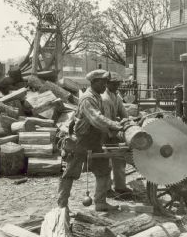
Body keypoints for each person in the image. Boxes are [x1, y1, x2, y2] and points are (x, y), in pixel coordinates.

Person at [57, 69, 123, 212]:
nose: (105, 86)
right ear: (94, 82)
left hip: (95, 139)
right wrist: (113, 124)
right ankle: (62, 206)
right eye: (103, 83)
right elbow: (96, 118)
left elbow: (102, 119)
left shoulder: (97, 96)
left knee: (103, 170)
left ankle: (100, 202)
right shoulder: (88, 98)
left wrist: (114, 125)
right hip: (81, 140)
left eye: (106, 83)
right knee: (70, 172)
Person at [102, 72, 133, 197]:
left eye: (118, 84)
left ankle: (120, 187)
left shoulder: (116, 96)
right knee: (107, 162)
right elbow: (107, 120)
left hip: (113, 130)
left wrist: (129, 122)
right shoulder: (105, 98)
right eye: (114, 84)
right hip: (105, 132)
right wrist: (119, 128)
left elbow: (124, 113)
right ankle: (107, 189)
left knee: (119, 159)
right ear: (107, 83)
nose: (116, 86)